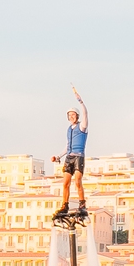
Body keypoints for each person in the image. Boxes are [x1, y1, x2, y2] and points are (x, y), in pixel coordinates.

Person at [56, 92, 90, 221]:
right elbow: (67, 146)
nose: (71, 117)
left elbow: (86, 114)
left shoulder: (83, 126)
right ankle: (64, 205)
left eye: (73, 114)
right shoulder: (69, 129)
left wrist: (81, 102)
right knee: (65, 183)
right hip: (69, 157)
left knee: (77, 182)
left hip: (79, 157)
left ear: (77, 116)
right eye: (69, 115)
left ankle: (82, 204)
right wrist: (58, 156)